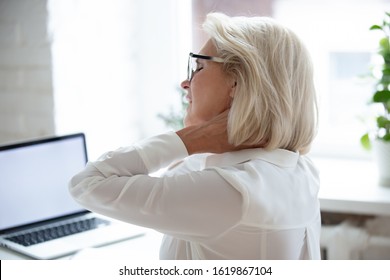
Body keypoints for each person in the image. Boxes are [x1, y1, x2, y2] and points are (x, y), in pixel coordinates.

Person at [69, 12, 320, 260]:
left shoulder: (232, 192)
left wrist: (189, 139)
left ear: (238, 83)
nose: (185, 83)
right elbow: (182, 176)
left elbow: (87, 183)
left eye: (198, 66)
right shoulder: (298, 169)